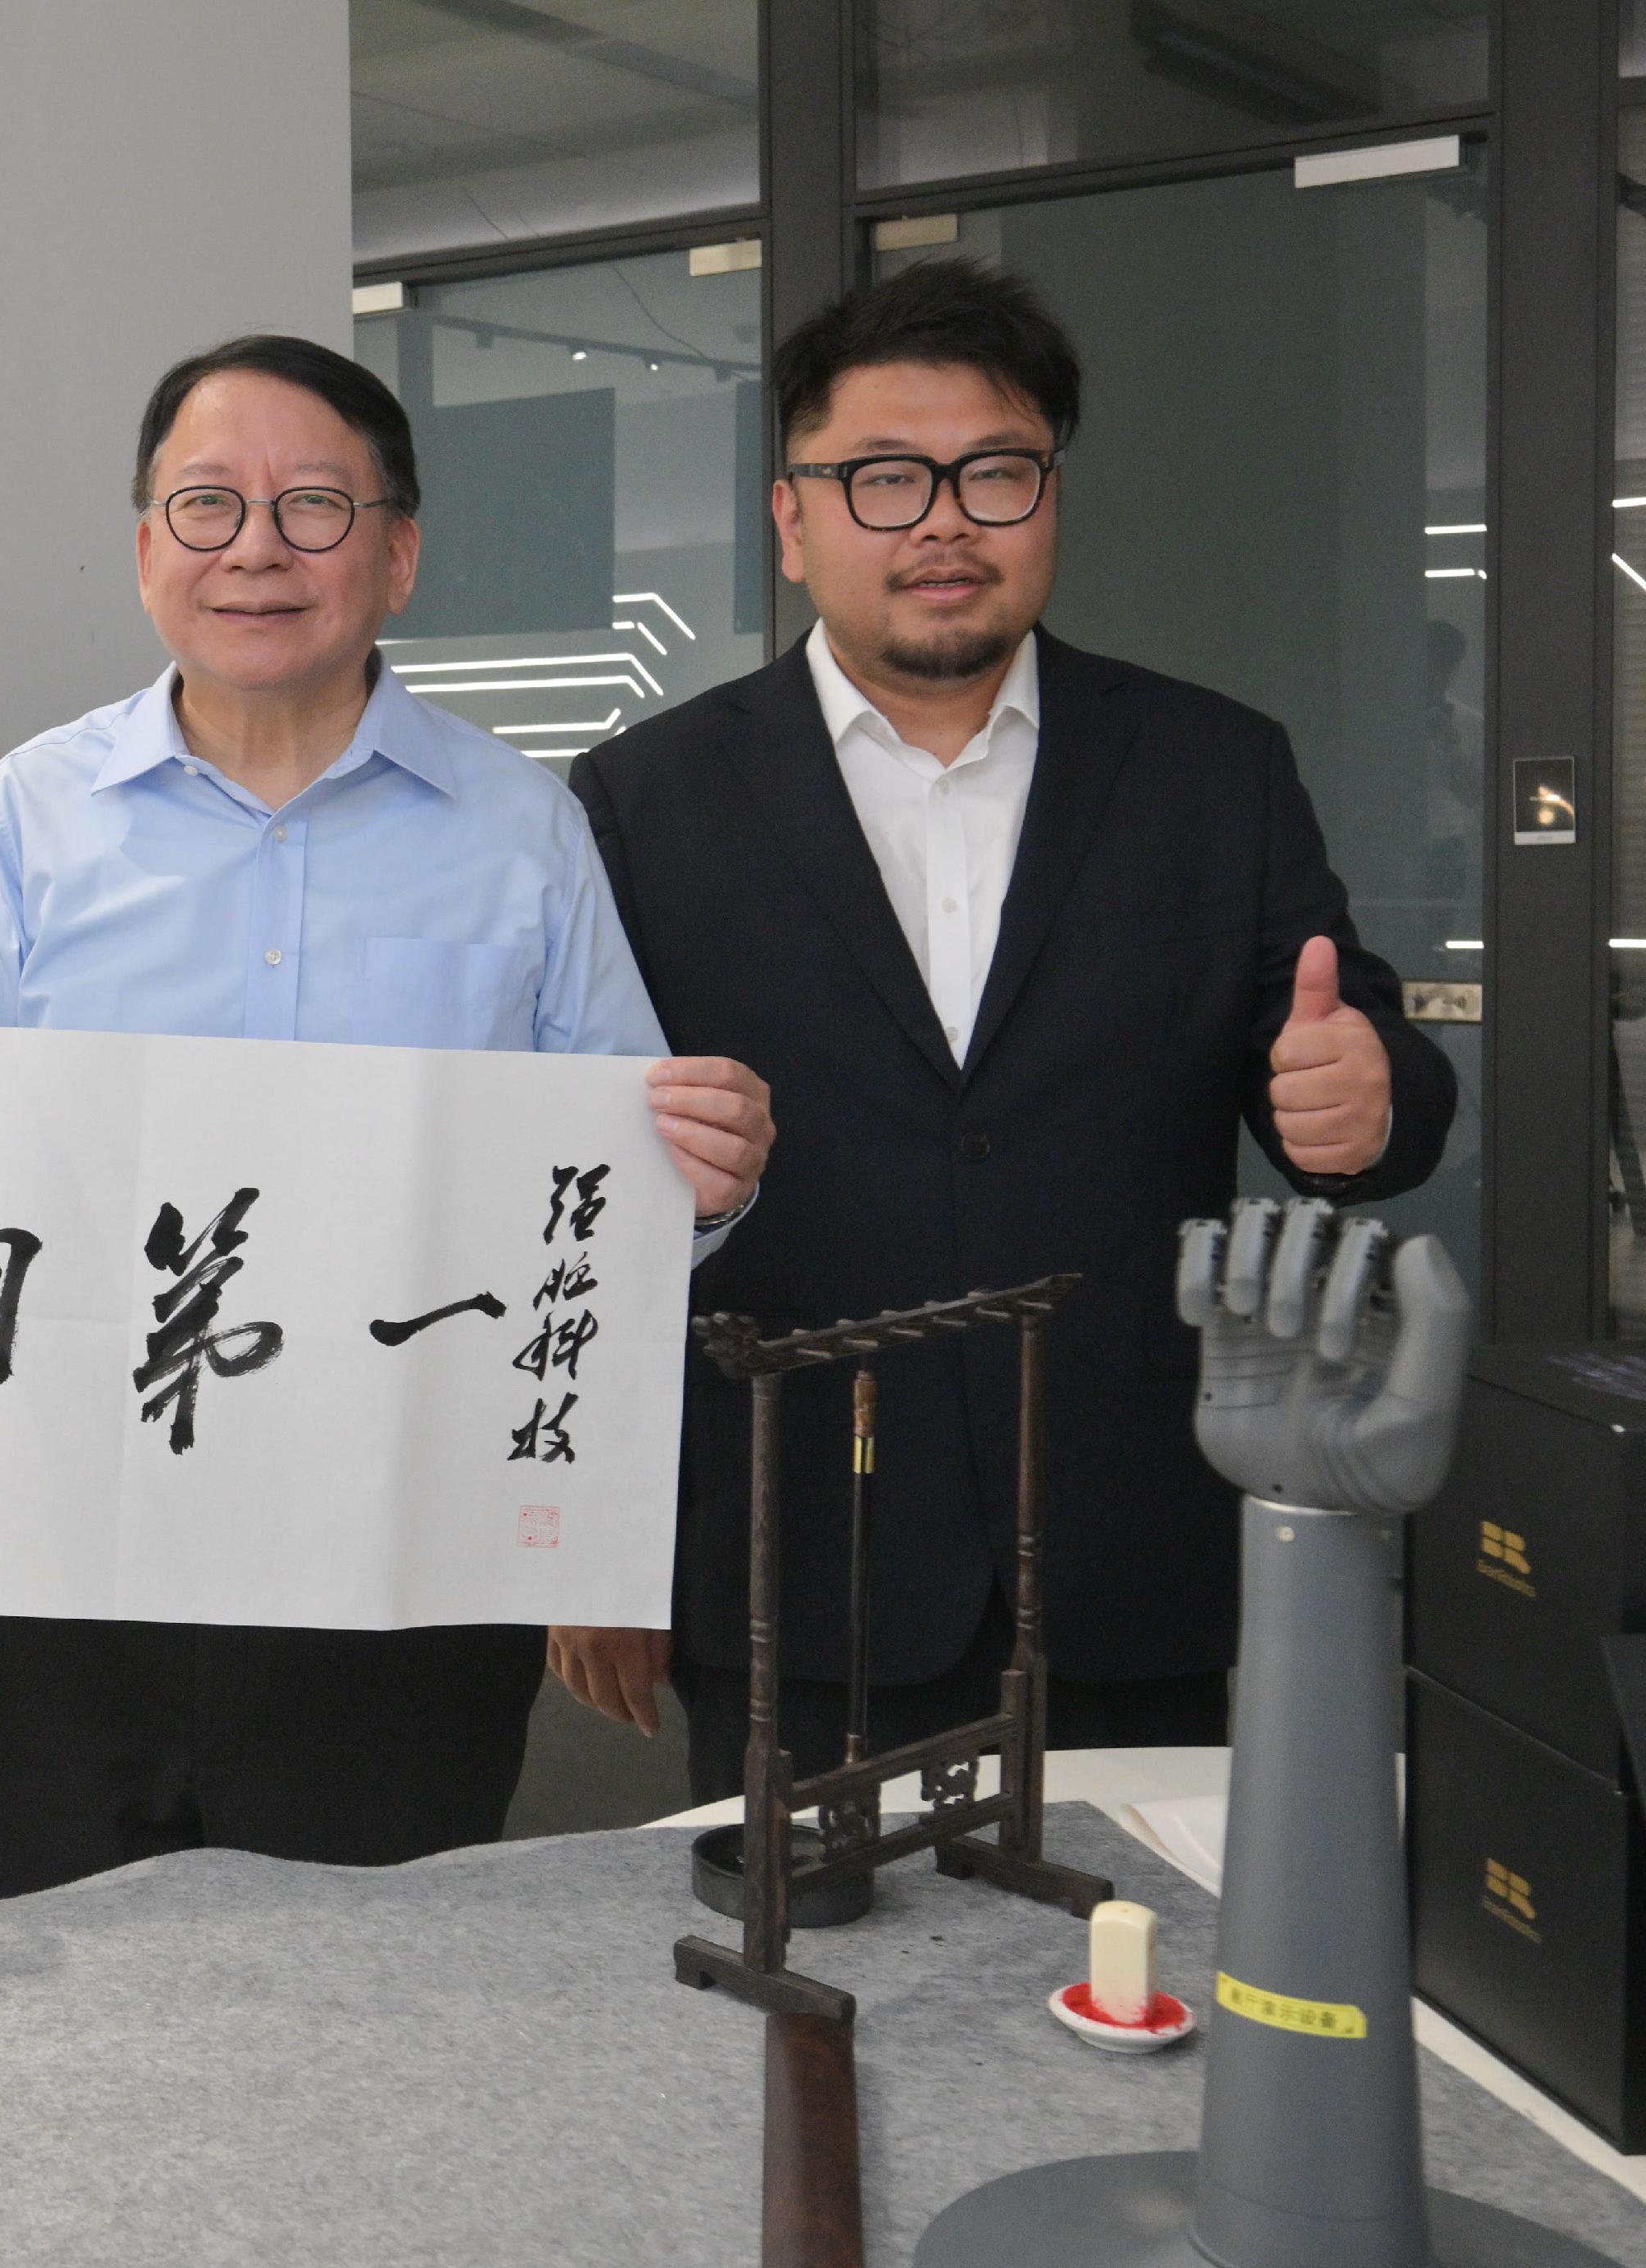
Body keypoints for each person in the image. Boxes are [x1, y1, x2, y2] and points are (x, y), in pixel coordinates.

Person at [0, 334, 777, 1901]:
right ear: (148, 549)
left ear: (399, 554)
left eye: (314, 507)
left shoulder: (523, 831)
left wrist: (704, 1183)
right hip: (83, 1545)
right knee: (62, 2004)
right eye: (206, 506)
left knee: (387, 2020)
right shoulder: (31, 815)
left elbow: (621, 1195)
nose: (257, 550)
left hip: (402, 1557)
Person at [556, 262, 1457, 1799]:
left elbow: (1350, 1048)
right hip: (792, 1557)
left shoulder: (1209, 767)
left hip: (1127, 1551)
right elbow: (580, 1196)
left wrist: (1367, 1107)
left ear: (1051, 494)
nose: (942, 521)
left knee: (1136, 1993)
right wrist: (591, 1534)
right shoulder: (641, 801)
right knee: (804, 2015)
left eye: (995, 472)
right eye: (882, 478)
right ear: (793, 517)